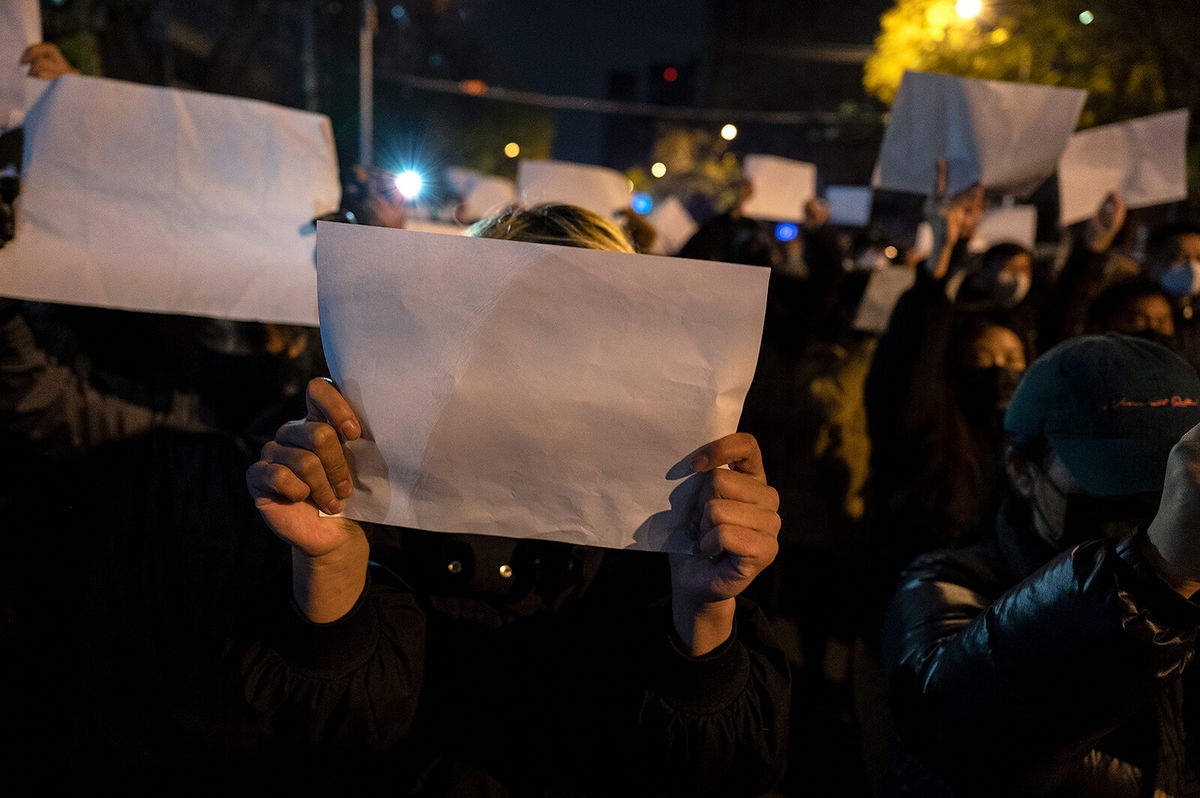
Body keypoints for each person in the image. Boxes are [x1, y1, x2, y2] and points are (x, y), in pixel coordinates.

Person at [238, 204, 790, 795]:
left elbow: (728, 771)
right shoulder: (368, 506)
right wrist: (330, 570)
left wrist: (704, 613)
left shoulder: (676, 537)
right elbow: (314, 746)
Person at [882, 333, 1200, 796]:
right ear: (1021, 467)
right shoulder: (946, 583)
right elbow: (955, 731)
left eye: (1168, 480)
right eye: (1112, 475)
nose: (1149, 505)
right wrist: (1148, 581)